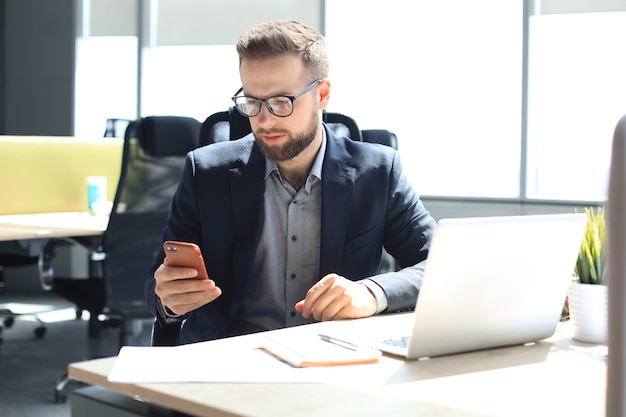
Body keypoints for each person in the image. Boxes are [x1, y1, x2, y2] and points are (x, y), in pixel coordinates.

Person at [145, 20, 437, 344]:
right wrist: (169, 300)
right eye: (252, 102)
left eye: (282, 101)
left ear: (322, 95)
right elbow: (157, 288)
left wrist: (372, 292)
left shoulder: (378, 173)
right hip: (229, 360)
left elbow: (439, 267)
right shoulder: (205, 173)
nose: (264, 120)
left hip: (335, 358)